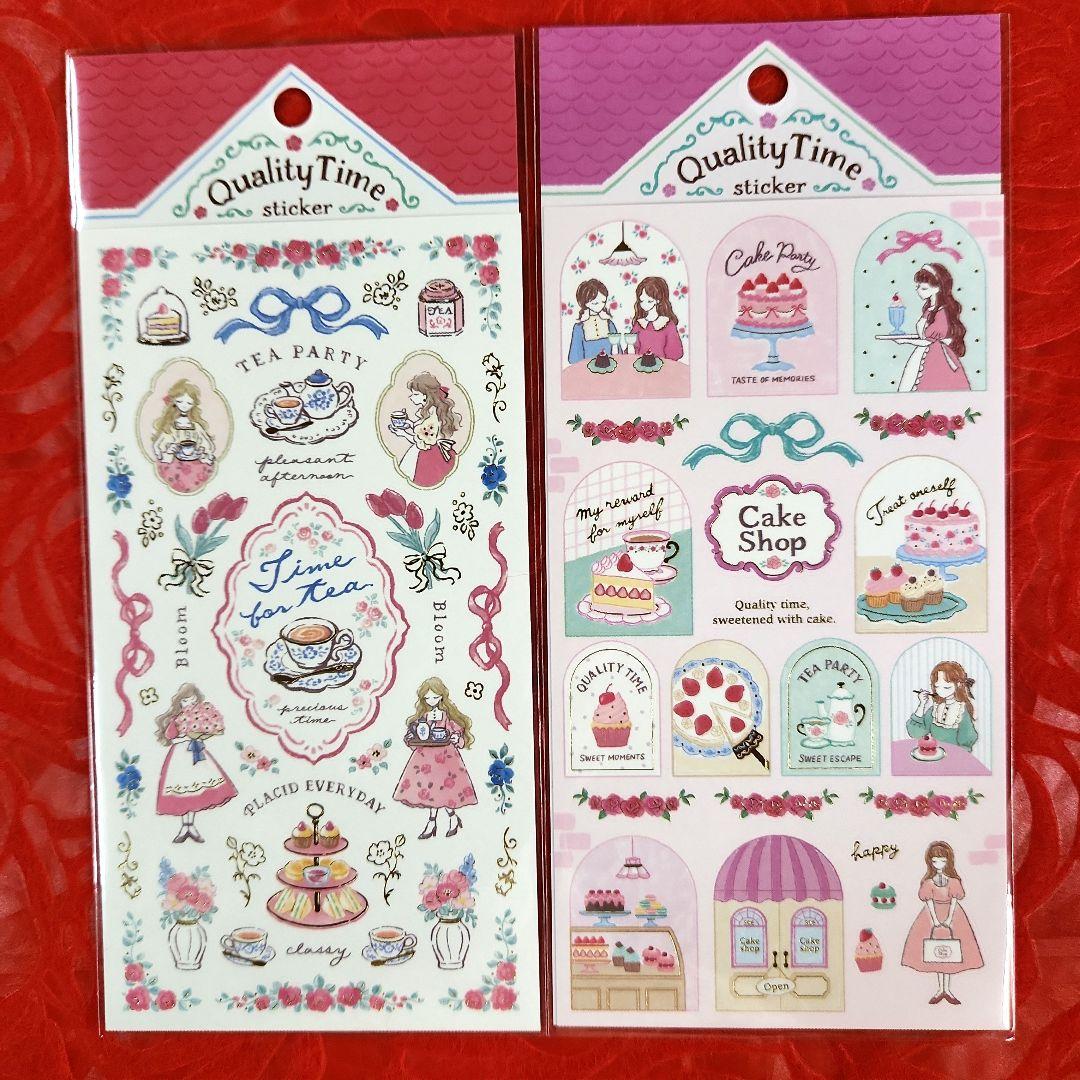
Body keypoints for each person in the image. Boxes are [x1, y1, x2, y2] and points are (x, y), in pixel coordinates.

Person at [392, 677, 477, 839]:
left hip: (446, 758)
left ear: (441, 696)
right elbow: (416, 734)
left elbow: (458, 734)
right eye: (427, 698)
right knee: (431, 791)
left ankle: (447, 820)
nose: (431, 700)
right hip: (426, 759)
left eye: (435, 697)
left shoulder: (446, 715)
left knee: (445, 790)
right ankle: (438, 821)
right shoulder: (424, 715)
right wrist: (413, 734)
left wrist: (455, 737)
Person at [901, 841, 983, 1004]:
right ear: (930, 862)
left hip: (953, 915)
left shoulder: (953, 881)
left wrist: (949, 919)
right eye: (935, 861)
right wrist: (934, 920)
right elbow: (929, 902)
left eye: (942, 860)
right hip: (933, 916)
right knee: (936, 954)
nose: (939, 864)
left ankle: (947, 989)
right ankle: (941, 989)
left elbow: (954, 900)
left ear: (948, 861)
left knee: (951, 953)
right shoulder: (928, 882)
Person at [154, 683, 236, 843]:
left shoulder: (200, 715)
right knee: (183, 791)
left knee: (194, 792)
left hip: (198, 755)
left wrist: (204, 733)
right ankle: (185, 827)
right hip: (180, 757)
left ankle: (190, 826)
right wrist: (187, 736)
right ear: (179, 702)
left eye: (192, 701)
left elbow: (205, 731)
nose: (189, 704)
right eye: (185, 701)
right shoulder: (177, 719)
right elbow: (171, 738)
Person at [895, 263, 970, 391]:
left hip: (937, 358)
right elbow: (924, 336)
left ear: (937, 288)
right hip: (924, 353)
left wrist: (905, 341)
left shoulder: (942, 313)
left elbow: (929, 341)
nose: (918, 291)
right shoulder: (929, 310)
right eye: (918, 287)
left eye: (924, 288)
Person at [388, 372, 461, 487]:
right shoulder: (430, 411)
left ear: (425, 396)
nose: (411, 397)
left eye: (415, 394)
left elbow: (422, 439)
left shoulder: (433, 416)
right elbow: (422, 429)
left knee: (421, 477)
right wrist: (410, 424)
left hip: (430, 453)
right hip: (428, 448)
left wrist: (403, 433)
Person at [150, 379, 216, 493]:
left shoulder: (195, 426)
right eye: (180, 401)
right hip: (174, 464)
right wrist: (168, 451)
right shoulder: (170, 426)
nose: (184, 406)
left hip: (194, 463)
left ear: (193, 404)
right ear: (174, 402)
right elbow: (157, 446)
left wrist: (203, 451)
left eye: (189, 403)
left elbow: (209, 445)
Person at [907, 660, 978, 751]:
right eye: (937, 686)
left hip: (953, 755)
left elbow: (967, 740)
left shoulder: (961, 710)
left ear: (958, 684)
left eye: (946, 687)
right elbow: (917, 733)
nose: (940, 691)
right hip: (934, 753)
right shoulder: (935, 708)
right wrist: (922, 704)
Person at [631, 276, 683, 360]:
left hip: (664, 366)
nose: (644, 304)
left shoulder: (667, 324)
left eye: (649, 301)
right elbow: (632, 349)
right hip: (640, 366)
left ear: (658, 300)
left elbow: (675, 353)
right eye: (642, 301)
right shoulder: (639, 324)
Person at [567, 278, 618, 363]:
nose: (600, 306)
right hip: (586, 367)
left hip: (610, 366)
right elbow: (574, 358)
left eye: (603, 302)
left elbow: (617, 351)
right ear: (585, 302)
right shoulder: (579, 327)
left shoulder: (609, 323)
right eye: (595, 303)